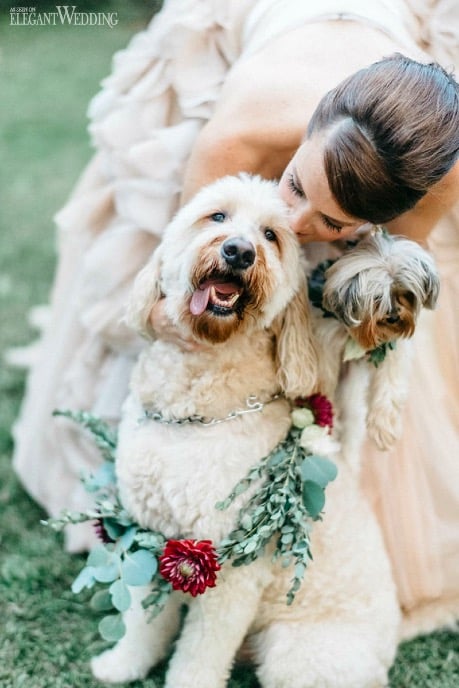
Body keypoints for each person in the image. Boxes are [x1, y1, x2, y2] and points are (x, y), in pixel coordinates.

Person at [11, 0, 459, 635]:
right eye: (295, 187)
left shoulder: (437, 179)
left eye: (332, 222)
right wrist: (190, 322)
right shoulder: (236, 136)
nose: (297, 224)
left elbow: (385, 310)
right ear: (306, 134)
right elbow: (166, 294)